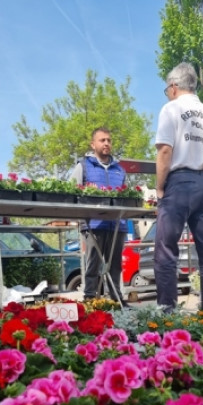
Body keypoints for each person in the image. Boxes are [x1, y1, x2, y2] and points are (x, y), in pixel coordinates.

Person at [154, 62, 203, 312]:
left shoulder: (171, 109)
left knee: (166, 249)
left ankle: (167, 312)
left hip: (180, 182)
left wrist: (159, 187)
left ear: (174, 86)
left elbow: (165, 150)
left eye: (167, 89)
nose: (167, 93)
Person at [72, 127, 127, 303]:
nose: (106, 143)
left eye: (109, 140)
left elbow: (127, 194)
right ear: (93, 144)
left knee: (115, 264)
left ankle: (116, 299)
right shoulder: (83, 166)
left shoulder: (120, 169)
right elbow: (72, 192)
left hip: (117, 224)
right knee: (93, 264)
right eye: (102, 140)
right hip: (93, 224)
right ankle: (90, 299)